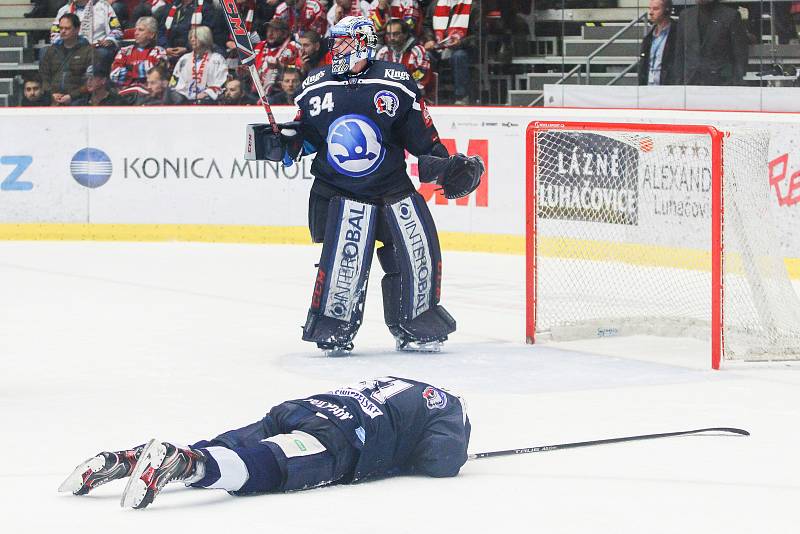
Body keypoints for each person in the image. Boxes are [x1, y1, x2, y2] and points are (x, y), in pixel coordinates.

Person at [245, 16, 483, 355]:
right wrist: (283, 143)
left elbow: (422, 140)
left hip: (390, 186)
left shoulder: (396, 82)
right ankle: (333, 326)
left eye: (342, 41)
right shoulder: (315, 84)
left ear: (362, 41)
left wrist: (444, 167)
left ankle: (417, 322)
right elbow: (310, 136)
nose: (335, 48)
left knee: (416, 254)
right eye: (334, 41)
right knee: (345, 261)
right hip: (339, 190)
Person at [60, 376, 471, 509]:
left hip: (300, 409)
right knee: (268, 467)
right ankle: (185, 465)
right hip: (339, 437)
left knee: (229, 445)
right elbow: (442, 460)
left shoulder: (405, 386)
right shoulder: (448, 405)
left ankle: (127, 460)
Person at [671, 0, 749, 86]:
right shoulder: (685, 16)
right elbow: (679, 53)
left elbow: (740, 54)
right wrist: (678, 81)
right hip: (690, 81)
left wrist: (736, 81)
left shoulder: (731, 16)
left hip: (722, 83)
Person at [422, 0, 479, 105]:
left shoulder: (473, 6)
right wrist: (429, 39)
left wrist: (461, 42)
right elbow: (426, 25)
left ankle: (461, 97)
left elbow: (478, 35)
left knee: (459, 56)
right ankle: (428, 96)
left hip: (463, 48)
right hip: (438, 47)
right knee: (426, 56)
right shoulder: (435, 5)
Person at [50, 0, 123, 70]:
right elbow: (54, 34)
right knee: (45, 51)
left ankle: (95, 81)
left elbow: (116, 30)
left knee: (101, 53)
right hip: (70, 48)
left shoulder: (103, 6)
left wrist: (109, 40)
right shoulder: (64, 10)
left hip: (96, 47)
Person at [40, 13, 94, 106]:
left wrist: (72, 96)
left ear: (77, 29)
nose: (63, 31)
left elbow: (90, 81)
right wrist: (51, 93)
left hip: (78, 99)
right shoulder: (51, 51)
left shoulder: (88, 51)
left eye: (67, 28)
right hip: (52, 97)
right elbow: (44, 76)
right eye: (61, 28)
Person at [376, 18, 432, 100]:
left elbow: (421, 81)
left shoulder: (418, 52)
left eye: (396, 34)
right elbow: (377, 80)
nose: (391, 38)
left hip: (415, 101)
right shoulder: (383, 53)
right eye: (388, 34)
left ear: (405, 34)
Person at [109, 16, 166, 95]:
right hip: (125, 95)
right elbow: (114, 75)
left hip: (149, 95)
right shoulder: (124, 51)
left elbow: (157, 73)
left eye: (141, 30)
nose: (136, 33)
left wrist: (129, 69)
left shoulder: (159, 51)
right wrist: (141, 71)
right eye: (136, 29)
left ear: (152, 34)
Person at [156, 0, 227, 63]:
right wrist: (166, 47)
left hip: (196, 52)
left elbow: (206, 34)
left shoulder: (205, 8)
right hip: (170, 52)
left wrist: (187, 48)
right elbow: (161, 31)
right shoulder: (171, 7)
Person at [171, 25, 229, 103]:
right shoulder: (184, 59)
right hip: (184, 101)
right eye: (191, 37)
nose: (192, 40)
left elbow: (222, 83)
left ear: (205, 38)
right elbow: (175, 82)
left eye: (195, 37)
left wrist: (206, 93)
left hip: (208, 101)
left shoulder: (217, 59)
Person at [253, 18, 302, 95]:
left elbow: (299, 70)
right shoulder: (260, 46)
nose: (270, 33)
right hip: (257, 92)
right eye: (269, 30)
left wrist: (281, 67)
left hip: (281, 92)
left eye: (275, 30)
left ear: (284, 34)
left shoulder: (294, 47)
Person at [638, 0, 675, 85]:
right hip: (649, 86)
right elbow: (643, 65)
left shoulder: (677, 33)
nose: (651, 12)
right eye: (650, 8)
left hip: (668, 87)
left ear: (667, 10)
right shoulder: (648, 38)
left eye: (655, 9)